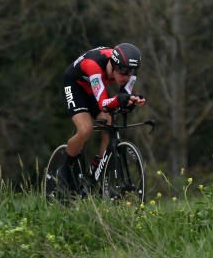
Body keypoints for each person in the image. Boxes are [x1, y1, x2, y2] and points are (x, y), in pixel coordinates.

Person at [57, 43, 146, 191]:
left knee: (108, 123)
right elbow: (104, 102)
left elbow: (123, 96)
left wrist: (131, 101)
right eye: (122, 71)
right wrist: (121, 100)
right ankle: (64, 168)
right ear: (113, 63)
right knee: (85, 130)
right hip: (75, 84)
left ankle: (96, 169)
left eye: (130, 71)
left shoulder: (130, 71)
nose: (126, 76)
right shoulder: (94, 65)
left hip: (92, 87)